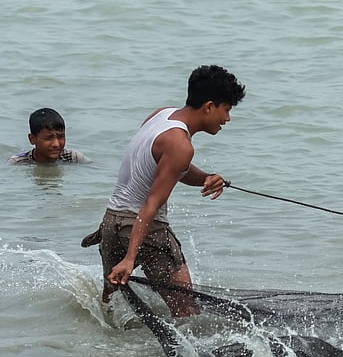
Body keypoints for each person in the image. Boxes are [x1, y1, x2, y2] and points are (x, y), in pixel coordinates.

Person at [83, 65, 245, 318]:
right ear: (209, 106)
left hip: (112, 221)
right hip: (145, 230)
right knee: (187, 311)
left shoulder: (162, 115)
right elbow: (151, 203)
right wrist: (130, 257)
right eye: (227, 110)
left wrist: (206, 178)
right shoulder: (180, 145)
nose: (227, 119)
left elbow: (166, 170)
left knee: (109, 304)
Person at [11, 108, 89, 164]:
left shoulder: (72, 157)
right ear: (32, 139)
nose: (56, 144)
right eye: (48, 138)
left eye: (60, 136)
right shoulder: (19, 163)